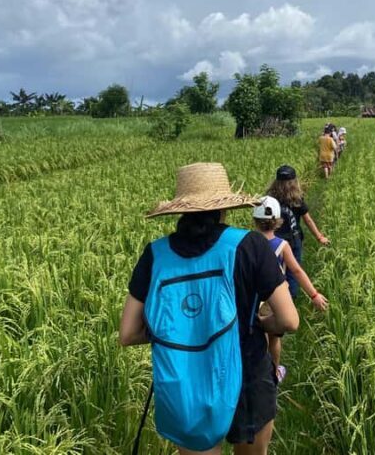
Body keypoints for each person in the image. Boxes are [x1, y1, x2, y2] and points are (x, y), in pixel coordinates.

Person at [119, 162, 299, 455]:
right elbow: (289, 320)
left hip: (185, 383)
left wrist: (180, 330)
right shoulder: (249, 245)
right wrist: (261, 323)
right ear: (224, 207)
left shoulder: (156, 254)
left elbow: (127, 333)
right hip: (247, 378)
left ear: (180, 209)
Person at [252, 196, 328, 383]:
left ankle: (258, 374)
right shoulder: (282, 245)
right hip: (275, 300)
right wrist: (314, 294)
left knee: (258, 338)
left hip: (254, 298)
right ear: (278, 221)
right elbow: (296, 270)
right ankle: (274, 373)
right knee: (274, 339)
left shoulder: (249, 244)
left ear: (255, 220)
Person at [267, 165, 330, 299]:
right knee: (293, 270)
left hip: (274, 242)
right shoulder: (297, 199)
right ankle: (290, 299)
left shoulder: (270, 199)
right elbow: (308, 220)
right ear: (294, 182)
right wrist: (319, 237)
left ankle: (275, 299)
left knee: (274, 271)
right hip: (293, 241)